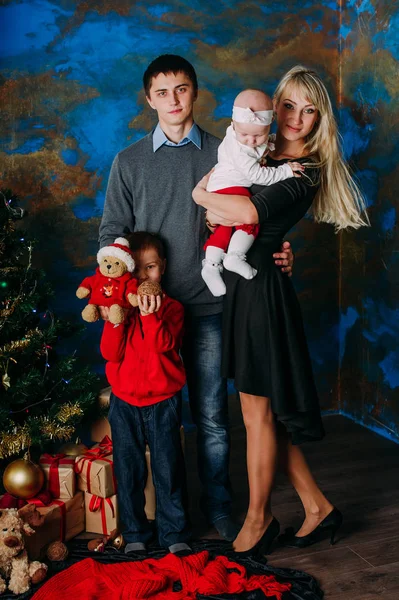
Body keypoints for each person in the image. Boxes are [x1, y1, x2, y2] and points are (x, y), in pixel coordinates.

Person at [99, 54, 294, 542]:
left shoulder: (226, 152)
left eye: (182, 89)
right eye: (162, 92)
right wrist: (125, 290)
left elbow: (259, 214)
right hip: (150, 316)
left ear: (196, 93)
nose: (173, 100)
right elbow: (112, 232)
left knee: (211, 417)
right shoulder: (128, 162)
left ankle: (221, 508)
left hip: (208, 308)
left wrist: (280, 251)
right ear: (149, 99)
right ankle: (170, 519)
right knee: (161, 421)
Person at [192, 65, 369, 555]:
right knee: (264, 414)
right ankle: (317, 507)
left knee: (257, 414)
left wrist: (202, 196)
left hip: (262, 291)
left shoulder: (304, 170)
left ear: (319, 121)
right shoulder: (257, 149)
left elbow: (244, 213)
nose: (297, 117)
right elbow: (228, 216)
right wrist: (219, 209)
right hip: (245, 284)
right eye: (289, 105)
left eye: (309, 111)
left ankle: (257, 519)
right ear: (274, 107)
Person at [100, 232, 191, 556]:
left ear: (162, 267)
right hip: (125, 402)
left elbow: (164, 345)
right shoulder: (119, 310)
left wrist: (151, 316)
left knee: (168, 468)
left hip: (163, 401)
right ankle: (135, 531)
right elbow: (110, 354)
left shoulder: (173, 309)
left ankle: (173, 531)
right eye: (136, 269)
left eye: (150, 267)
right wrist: (115, 321)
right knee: (128, 470)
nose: (143, 276)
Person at [203, 88, 303, 297]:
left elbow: (262, 141)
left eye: (259, 135)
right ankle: (235, 257)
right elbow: (258, 176)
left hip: (218, 186)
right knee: (248, 221)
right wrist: (285, 170)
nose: (250, 140)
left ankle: (211, 265)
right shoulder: (240, 151)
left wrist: (270, 142)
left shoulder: (241, 133)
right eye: (245, 135)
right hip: (230, 187)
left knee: (225, 228)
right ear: (233, 125)